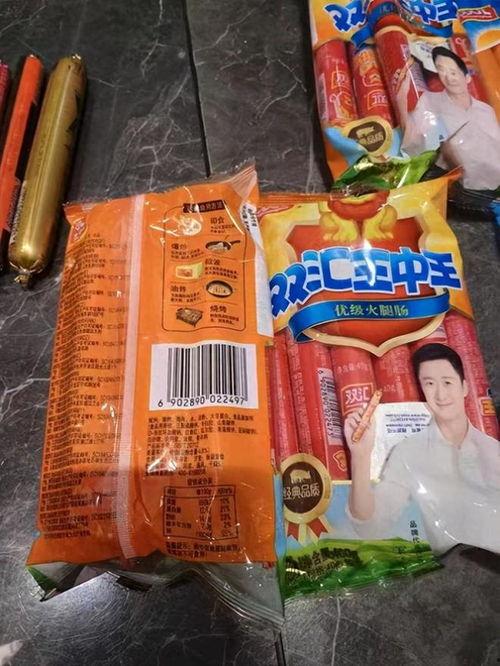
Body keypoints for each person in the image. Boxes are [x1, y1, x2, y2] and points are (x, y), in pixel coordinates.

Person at [345, 343, 500, 554]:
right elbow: (371, 526)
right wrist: (361, 456)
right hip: (453, 565)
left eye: (447, 382)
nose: (440, 395)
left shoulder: (492, 448)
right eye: (429, 384)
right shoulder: (409, 452)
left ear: (464, 387)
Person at [400, 46, 500, 190]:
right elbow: (412, 144)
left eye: (453, 72)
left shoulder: (486, 110)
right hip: (449, 187)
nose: (449, 78)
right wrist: (401, 98)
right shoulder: (430, 101)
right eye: (442, 71)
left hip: (493, 189)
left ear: (467, 78)